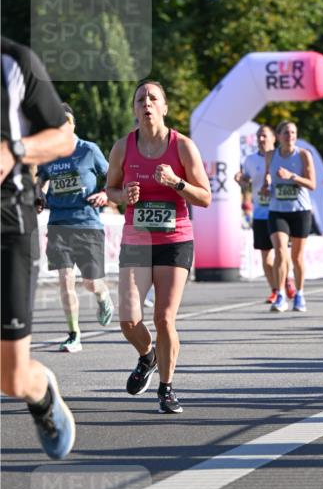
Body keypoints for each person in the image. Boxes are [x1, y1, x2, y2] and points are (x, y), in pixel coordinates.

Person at [106, 81, 211, 413]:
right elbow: (109, 189)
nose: (147, 103)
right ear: (135, 109)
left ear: (164, 107)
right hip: (137, 239)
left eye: (153, 98)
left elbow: (205, 197)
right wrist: (124, 197)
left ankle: (166, 388)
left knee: (164, 318)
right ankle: (147, 356)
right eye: (141, 99)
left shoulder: (182, 147)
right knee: (128, 319)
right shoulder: (123, 147)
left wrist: (177, 183)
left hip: (174, 239)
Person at [1, 36, 77, 459]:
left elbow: (63, 138)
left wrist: (15, 150)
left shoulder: (15, 63)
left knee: (11, 379)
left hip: (9, 226)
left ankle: (42, 393)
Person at [37, 103, 114, 352]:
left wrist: (104, 194)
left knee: (91, 282)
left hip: (87, 224)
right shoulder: (49, 153)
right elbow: (40, 180)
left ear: (72, 124)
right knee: (65, 280)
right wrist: (38, 195)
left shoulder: (88, 150)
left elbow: (113, 177)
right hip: (59, 223)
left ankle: (103, 296)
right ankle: (74, 334)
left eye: (65, 123)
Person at [263, 120, 316, 313]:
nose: (290, 136)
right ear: (278, 136)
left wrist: (292, 176)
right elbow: (267, 179)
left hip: (300, 210)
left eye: (293, 132)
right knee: (279, 251)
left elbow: (312, 184)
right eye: (286, 132)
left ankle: (300, 293)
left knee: (297, 258)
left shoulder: (303, 155)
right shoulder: (271, 155)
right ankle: (280, 295)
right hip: (277, 210)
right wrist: (266, 187)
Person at [235, 124, 278, 302]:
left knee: (282, 252)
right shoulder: (250, 160)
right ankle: (276, 289)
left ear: (273, 138)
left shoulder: (281, 157)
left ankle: (285, 284)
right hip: (260, 213)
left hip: (280, 210)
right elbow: (246, 181)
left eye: (265, 135)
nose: (261, 139)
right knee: (266, 258)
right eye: (259, 136)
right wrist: (240, 179)